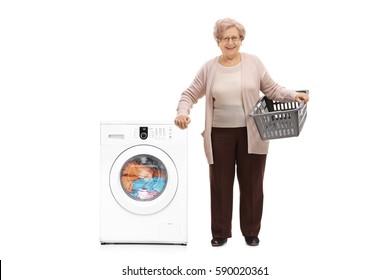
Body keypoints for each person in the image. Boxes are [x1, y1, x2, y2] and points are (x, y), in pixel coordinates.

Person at [174, 18, 309, 247]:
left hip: (253, 133)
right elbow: (189, 94)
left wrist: (292, 94)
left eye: (234, 37)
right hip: (219, 134)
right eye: (225, 38)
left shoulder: (254, 63)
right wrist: (182, 112)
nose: (230, 42)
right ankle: (220, 233)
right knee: (220, 185)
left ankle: (251, 232)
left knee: (252, 184)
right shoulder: (209, 68)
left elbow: (272, 89)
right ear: (217, 41)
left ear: (241, 40)